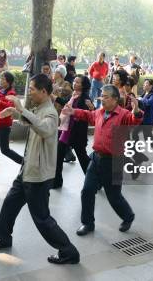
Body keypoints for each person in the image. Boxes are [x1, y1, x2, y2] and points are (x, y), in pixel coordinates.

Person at [0, 74, 80, 265]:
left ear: (44, 92)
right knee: (9, 205)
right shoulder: (39, 109)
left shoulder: (51, 113)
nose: (30, 92)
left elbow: (44, 129)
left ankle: (69, 251)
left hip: (38, 176)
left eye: (33, 89)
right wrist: (15, 111)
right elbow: (32, 121)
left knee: (42, 218)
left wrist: (21, 109)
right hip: (27, 171)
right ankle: (4, 239)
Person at [62, 84, 143, 236]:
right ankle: (87, 223)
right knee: (87, 191)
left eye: (105, 97)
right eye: (101, 96)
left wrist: (136, 110)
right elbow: (88, 115)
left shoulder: (123, 115)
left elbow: (134, 119)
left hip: (114, 161)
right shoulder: (100, 112)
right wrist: (73, 111)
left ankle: (128, 216)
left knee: (113, 196)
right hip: (96, 158)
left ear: (115, 99)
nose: (102, 100)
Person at [55, 75, 95, 187]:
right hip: (67, 130)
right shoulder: (73, 96)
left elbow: (88, 114)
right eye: (74, 81)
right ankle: (57, 181)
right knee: (58, 156)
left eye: (78, 82)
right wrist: (54, 97)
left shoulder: (85, 98)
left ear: (83, 86)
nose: (74, 83)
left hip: (77, 133)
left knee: (83, 159)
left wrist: (91, 108)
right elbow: (65, 103)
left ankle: (95, 180)